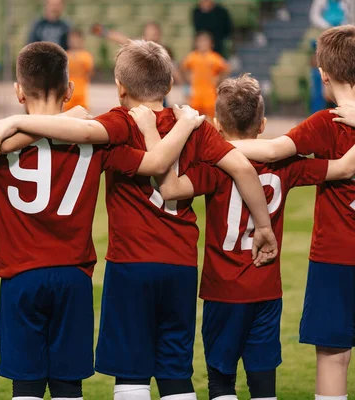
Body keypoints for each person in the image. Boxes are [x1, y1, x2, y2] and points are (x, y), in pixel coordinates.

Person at [0, 40, 210, 400]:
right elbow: (153, 164)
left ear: (18, 92)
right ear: (69, 89)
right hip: (74, 277)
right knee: (69, 388)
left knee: (28, 387)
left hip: (22, 276)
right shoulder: (99, 139)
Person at [0, 40, 278, 400]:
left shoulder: (116, 125)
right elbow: (240, 166)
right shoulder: (194, 126)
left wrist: (19, 120)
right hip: (178, 265)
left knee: (128, 377)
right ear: (170, 82)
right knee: (175, 370)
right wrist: (265, 227)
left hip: (126, 265)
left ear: (120, 87)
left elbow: (90, 134)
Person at [147, 74, 355, 400]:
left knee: (221, 382)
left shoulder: (213, 166)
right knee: (262, 384)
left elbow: (170, 187)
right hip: (266, 290)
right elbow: (343, 168)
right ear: (263, 124)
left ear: (216, 125)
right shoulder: (287, 166)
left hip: (222, 290)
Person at [231, 25, 355, 400]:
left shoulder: (326, 122)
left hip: (336, 256)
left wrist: (213, 143)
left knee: (333, 357)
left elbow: (270, 152)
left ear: (324, 76)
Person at [182, 32, 230, 120]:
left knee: (212, 119)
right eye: (200, 41)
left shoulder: (214, 57)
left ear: (211, 44)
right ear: (196, 43)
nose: (203, 44)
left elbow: (226, 68)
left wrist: (219, 80)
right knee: (193, 118)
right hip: (196, 94)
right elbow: (183, 67)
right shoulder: (192, 56)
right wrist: (188, 79)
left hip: (210, 94)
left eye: (205, 41)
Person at [64, 28, 94, 111]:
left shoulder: (86, 56)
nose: (73, 42)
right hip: (68, 93)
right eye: (71, 39)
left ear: (81, 40)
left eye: (76, 39)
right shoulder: (65, 55)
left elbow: (89, 72)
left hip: (81, 93)